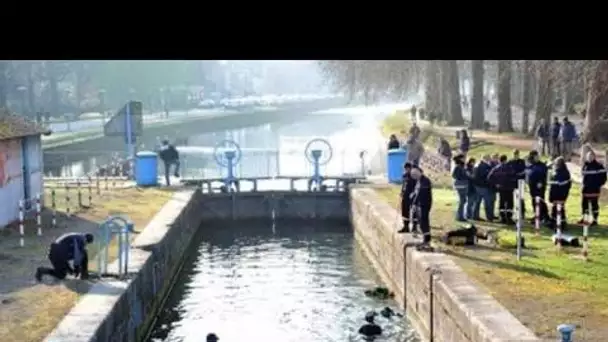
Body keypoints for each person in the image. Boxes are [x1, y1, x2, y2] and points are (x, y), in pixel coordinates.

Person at [579, 150, 607, 226]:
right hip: (586, 189)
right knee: (584, 205)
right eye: (588, 156)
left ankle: (595, 220)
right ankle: (585, 219)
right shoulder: (585, 165)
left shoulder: (599, 166)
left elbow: (604, 177)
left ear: (594, 157)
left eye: (591, 156)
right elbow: (583, 176)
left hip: (594, 189)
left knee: (594, 205)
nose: (589, 158)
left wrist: (598, 185)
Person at [488, 155, 517, 225]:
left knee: (502, 203)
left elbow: (489, 177)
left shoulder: (496, 168)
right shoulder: (510, 168)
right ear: (505, 160)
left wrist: (496, 184)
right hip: (509, 189)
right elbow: (515, 176)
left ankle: (503, 218)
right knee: (510, 203)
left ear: (500, 160)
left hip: (501, 189)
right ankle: (509, 218)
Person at [411, 166, 433, 246]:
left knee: (424, 221)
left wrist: (414, 203)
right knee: (420, 221)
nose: (414, 176)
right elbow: (416, 192)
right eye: (413, 174)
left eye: (415, 174)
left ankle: (427, 239)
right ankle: (425, 238)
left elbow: (420, 193)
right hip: (419, 204)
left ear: (420, 172)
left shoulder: (425, 181)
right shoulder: (418, 181)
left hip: (424, 204)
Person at [548, 157, 572, 231]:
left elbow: (564, 185)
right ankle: (554, 223)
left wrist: (561, 196)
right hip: (555, 195)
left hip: (560, 195)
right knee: (555, 209)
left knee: (560, 210)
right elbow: (552, 184)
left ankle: (562, 224)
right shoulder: (555, 172)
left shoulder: (564, 173)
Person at [526, 151, 549, 223]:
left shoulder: (542, 166)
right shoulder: (531, 165)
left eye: (537, 156)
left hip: (539, 187)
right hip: (532, 186)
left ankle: (543, 216)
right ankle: (537, 214)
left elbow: (544, 176)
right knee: (534, 201)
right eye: (535, 156)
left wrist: (541, 182)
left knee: (540, 201)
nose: (537, 157)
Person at [472, 155, 495, 221]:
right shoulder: (484, 166)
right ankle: (489, 217)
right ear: (486, 159)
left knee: (477, 202)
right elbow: (486, 176)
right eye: (489, 158)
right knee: (487, 203)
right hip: (483, 186)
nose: (490, 160)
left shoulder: (477, 165)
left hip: (477, 186)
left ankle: (475, 216)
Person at [508, 149, 527, 217]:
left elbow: (524, 171)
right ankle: (515, 212)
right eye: (515, 154)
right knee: (513, 198)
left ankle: (522, 212)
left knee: (521, 198)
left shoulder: (522, 161)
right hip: (513, 182)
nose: (516, 156)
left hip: (520, 182)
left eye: (517, 154)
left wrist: (519, 174)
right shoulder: (510, 161)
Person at [398, 162, 415, 233]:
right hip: (405, 196)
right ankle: (406, 227)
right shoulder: (404, 176)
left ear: (411, 168)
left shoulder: (414, 176)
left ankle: (415, 227)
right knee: (404, 211)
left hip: (412, 196)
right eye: (405, 169)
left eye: (408, 168)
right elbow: (403, 185)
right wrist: (401, 192)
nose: (406, 170)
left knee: (414, 212)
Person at [452, 154, 468, 222]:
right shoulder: (458, 166)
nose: (465, 159)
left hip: (462, 184)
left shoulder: (461, 166)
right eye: (464, 158)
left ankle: (460, 215)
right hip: (461, 185)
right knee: (462, 200)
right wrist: (462, 178)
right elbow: (454, 175)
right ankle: (459, 216)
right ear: (461, 159)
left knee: (463, 200)